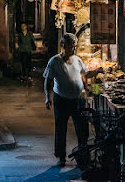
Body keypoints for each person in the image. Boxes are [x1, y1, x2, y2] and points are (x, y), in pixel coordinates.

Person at [43, 33, 103, 166]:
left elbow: (86, 73)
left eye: (75, 47)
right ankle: (61, 157)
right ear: (63, 46)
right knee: (61, 129)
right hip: (61, 100)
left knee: (82, 129)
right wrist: (48, 97)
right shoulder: (54, 61)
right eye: (71, 47)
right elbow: (48, 80)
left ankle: (83, 155)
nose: (74, 50)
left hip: (77, 100)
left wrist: (97, 70)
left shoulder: (77, 59)